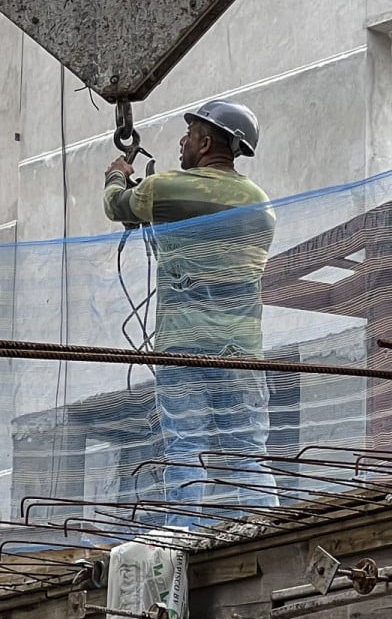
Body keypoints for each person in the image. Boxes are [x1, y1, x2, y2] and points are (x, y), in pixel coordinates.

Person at [103, 99, 278, 528]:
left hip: (182, 349)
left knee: (185, 447)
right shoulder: (261, 205)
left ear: (204, 142)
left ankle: (182, 538)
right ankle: (264, 532)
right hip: (241, 351)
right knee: (247, 452)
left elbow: (115, 205)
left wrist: (117, 174)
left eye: (189, 133)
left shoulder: (164, 188)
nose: (182, 141)